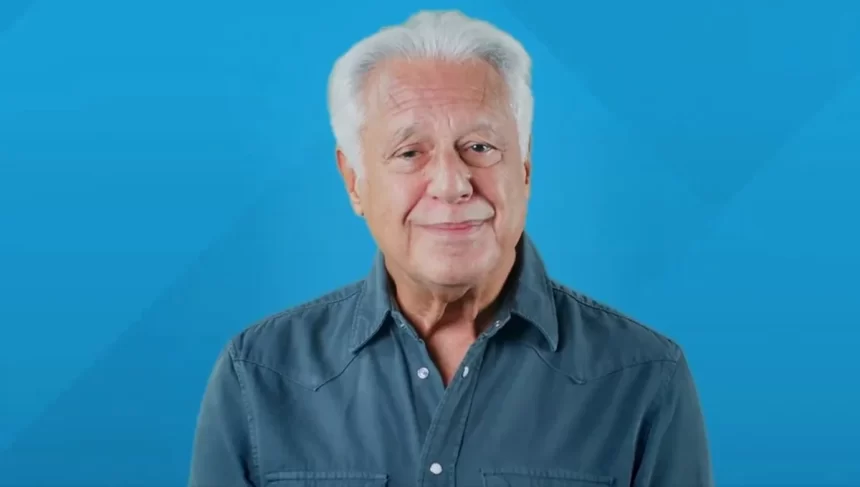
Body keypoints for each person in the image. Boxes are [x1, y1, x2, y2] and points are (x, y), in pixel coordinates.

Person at [188, 9, 713, 487]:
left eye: (480, 147)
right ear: (354, 181)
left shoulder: (643, 376)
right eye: (410, 151)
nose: (452, 183)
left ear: (524, 167)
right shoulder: (258, 375)